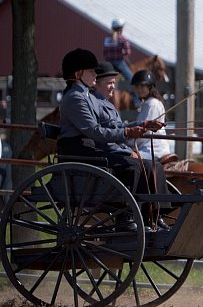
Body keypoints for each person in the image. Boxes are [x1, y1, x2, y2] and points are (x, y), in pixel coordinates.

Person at [58, 49, 169, 231]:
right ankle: (125, 216)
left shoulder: (86, 96)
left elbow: (110, 126)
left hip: (91, 146)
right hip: (80, 150)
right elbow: (95, 131)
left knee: (150, 165)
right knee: (133, 165)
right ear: (78, 74)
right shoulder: (75, 98)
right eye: (91, 71)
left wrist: (143, 124)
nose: (95, 74)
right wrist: (127, 133)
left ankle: (153, 215)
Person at [130, 69, 171, 161]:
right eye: (137, 86)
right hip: (147, 147)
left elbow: (144, 131)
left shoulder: (152, 104)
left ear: (150, 87)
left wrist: (127, 140)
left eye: (142, 86)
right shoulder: (147, 104)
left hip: (153, 150)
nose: (139, 89)